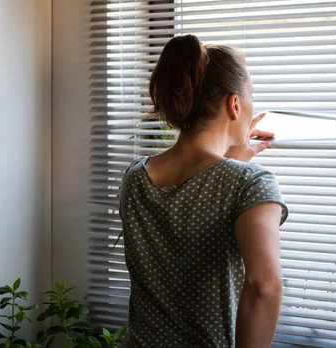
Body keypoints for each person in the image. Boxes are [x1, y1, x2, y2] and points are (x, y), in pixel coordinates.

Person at [119, 34, 288, 348]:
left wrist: (232, 158)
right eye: (251, 95)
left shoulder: (135, 175)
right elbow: (264, 287)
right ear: (234, 104)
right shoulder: (250, 182)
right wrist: (237, 168)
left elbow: (191, 201)